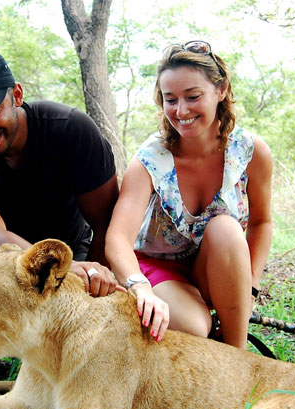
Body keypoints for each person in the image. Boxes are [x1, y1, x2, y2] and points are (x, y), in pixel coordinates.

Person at [0, 51, 120, 380]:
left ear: (16, 95)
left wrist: (90, 279)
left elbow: (107, 221)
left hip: (73, 252)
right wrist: (53, 264)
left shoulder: (71, 130)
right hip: (4, 260)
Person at [106, 41, 273, 349]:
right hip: (158, 268)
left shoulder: (250, 152)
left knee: (225, 227)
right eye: (171, 100)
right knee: (196, 327)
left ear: (220, 90)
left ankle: (237, 356)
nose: (181, 111)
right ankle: (205, 327)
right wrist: (138, 286)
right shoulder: (150, 158)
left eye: (193, 97)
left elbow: (262, 222)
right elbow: (117, 238)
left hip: (217, 265)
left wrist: (248, 287)